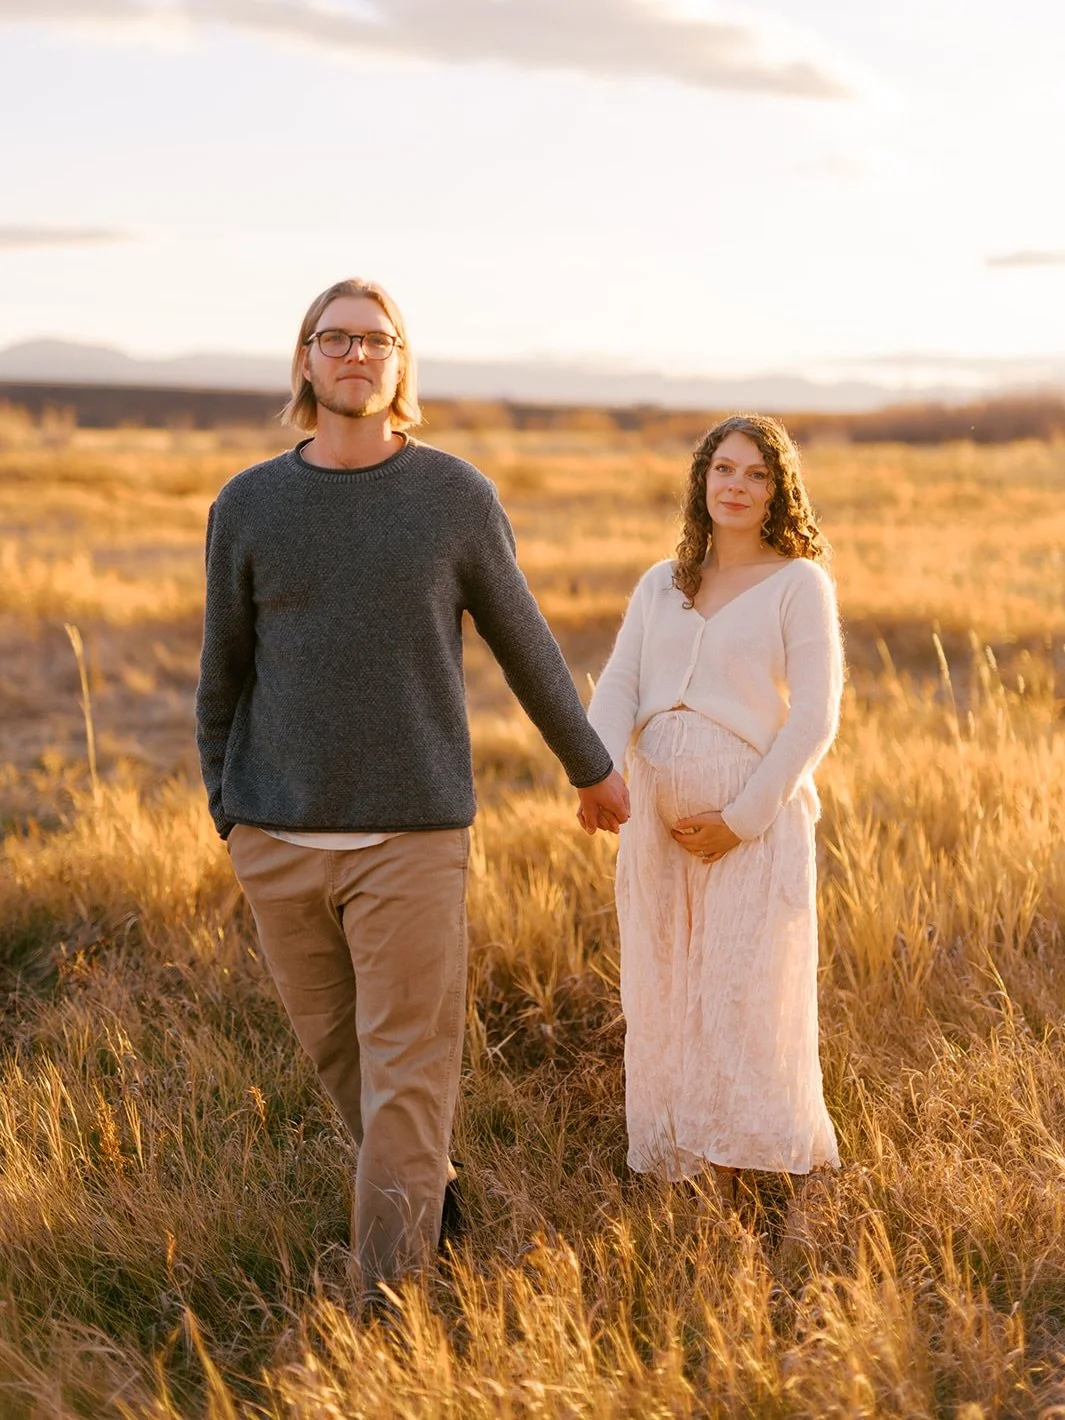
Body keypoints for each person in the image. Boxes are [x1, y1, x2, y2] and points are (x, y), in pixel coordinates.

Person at [195, 277, 629, 1302]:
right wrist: (231, 810)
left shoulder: (453, 497)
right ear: (304, 362)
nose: (353, 354)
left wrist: (592, 766)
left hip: (413, 838)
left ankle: (384, 1313)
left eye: (374, 339)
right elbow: (223, 673)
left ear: (400, 365)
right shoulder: (248, 504)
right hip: (278, 837)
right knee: (353, 1073)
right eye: (332, 338)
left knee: (405, 1079)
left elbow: (527, 647)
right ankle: (434, 1201)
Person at [587, 413, 842, 1197]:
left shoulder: (798, 583)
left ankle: (754, 1167)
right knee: (665, 986)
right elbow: (621, 685)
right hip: (657, 822)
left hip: (750, 823)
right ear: (702, 479)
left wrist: (741, 817)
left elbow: (813, 715)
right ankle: (681, 1165)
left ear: (778, 491)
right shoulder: (661, 584)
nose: (736, 485)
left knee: (738, 990)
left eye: (756, 474)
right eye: (724, 469)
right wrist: (593, 772)